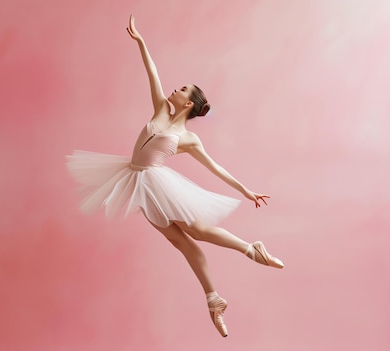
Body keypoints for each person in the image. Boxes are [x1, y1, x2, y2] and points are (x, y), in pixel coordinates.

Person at [66, 15, 284, 337]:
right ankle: (214, 299)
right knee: (182, 243)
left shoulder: (189, 139)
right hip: (137, 181)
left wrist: (246, 190)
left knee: (196, 231)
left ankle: (251, 249)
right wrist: (141, 42)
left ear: (189, 103)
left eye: (182, 89)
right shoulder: (160, 110)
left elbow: (215, 167)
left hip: (156, 182)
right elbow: (151, 74)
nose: (175, 89)